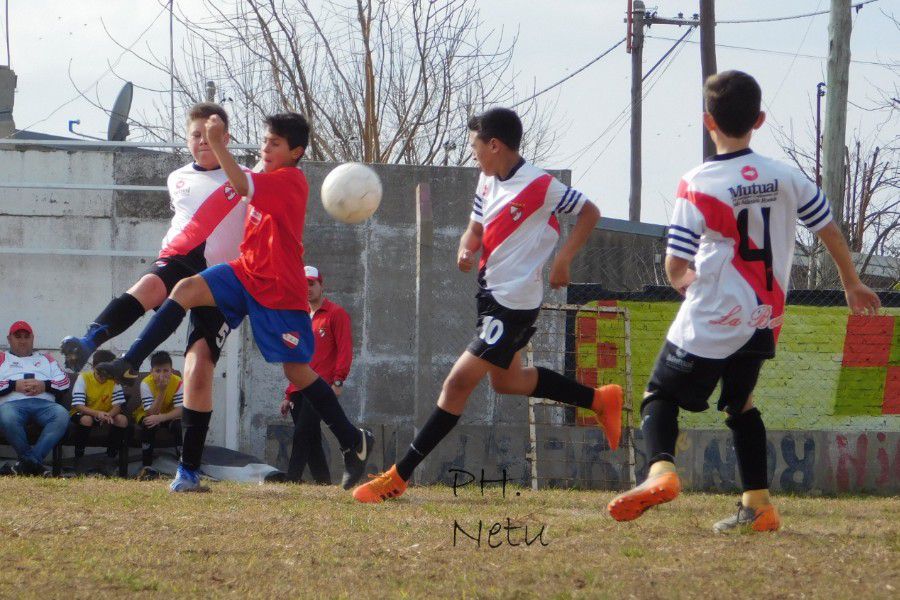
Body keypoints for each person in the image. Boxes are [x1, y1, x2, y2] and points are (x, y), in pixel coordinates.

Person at [606, 71, 882, 532]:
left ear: (706, 121)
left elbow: (676, 268)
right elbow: (829, 228)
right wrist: (851, 282)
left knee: (660, 395)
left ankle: (661, 472)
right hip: (764, 317)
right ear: (760, 119)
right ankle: (758, 507)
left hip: (715, 313)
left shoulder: (697, 183)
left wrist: (697, 286)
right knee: (742, 404)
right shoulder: (786, 177)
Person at [353, 107, 623, 503]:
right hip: (490, 295)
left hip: (514, 303)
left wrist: (564, 259)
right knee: (508, 380)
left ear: (494, 144)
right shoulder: (487, 180)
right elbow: (475, 228)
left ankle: (398, 476)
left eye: (475, 145)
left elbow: (590, 211)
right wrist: (466, 247)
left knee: (457, 383)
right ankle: (600, 399)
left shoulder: (541, 185)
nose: (473, 153)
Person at [98, 112, 374, 492]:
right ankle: (130, 360)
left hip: (279, 290)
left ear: (297, 152)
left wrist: (219, 142)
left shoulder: (290, 181)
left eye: (275, 143)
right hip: (244, 272)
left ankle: (353, 441)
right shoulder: (266, 169)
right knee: (185, 289)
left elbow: (241, 183)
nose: (265, 147)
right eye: (265, 139)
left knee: (297, 372)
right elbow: (236, 180)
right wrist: (211, 139)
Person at [60, 103, 245, 463]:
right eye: (196, 136)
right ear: (187, 139)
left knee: (199, 367)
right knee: (148, 286)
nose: (203, 142)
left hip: (223, 275)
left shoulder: (245, 178)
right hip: (180, 256)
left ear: (226, 138)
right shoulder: (177, 177)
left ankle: (189, 466)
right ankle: (89, 341)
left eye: (212, 136)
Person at [279, 266, 353, 484]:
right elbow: (294, 359)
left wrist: (338, 381)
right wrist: (288, 394)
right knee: (311, 438)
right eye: (303, 285)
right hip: (298, 389)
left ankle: (292, 480)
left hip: (320, 387)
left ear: (321, 285)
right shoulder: (298, 318)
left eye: (312, 284)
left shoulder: (336, 314)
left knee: (302, 433)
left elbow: (345, 350)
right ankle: (323, 482)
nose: (307, 289)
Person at [0, 321, 70, 475]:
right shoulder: (2, 357)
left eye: (26, 336)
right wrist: (13, 385)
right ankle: (34, 465)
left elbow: (64, 382)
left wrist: (44, 385)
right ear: (9, 339)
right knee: (6, 416)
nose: (22, 340)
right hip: (12, 405)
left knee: (62, 415)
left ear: (33, 338)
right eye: (18, 337)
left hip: (45, 405)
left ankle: (26, 464)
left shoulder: (47, 359)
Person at [69, 349, 129, 470]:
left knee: (122, 420)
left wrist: (108, 415)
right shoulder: (84, 378)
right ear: (94, 367)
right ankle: (79, 457)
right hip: (86, 412)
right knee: (86, 420)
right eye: (100, 373)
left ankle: (110, 458)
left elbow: (118, 406)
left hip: (107, 414)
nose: (103, 377)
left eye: (106, 374)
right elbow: (78, 405)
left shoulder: (114, 380)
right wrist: (98, 414)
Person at [134, 351, 183, 468]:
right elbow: (151, 412)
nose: (162, 375)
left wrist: (162, 417)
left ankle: (182, 460)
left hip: (170, 415)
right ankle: (147, 465)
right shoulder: (146, 383)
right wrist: (162, 391)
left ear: (171, 371)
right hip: (149, 413)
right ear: (151, 372)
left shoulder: (178, 382)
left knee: (179, 425)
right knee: (149, 423)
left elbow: (181, 409)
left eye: (166, 371)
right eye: (158, 371)